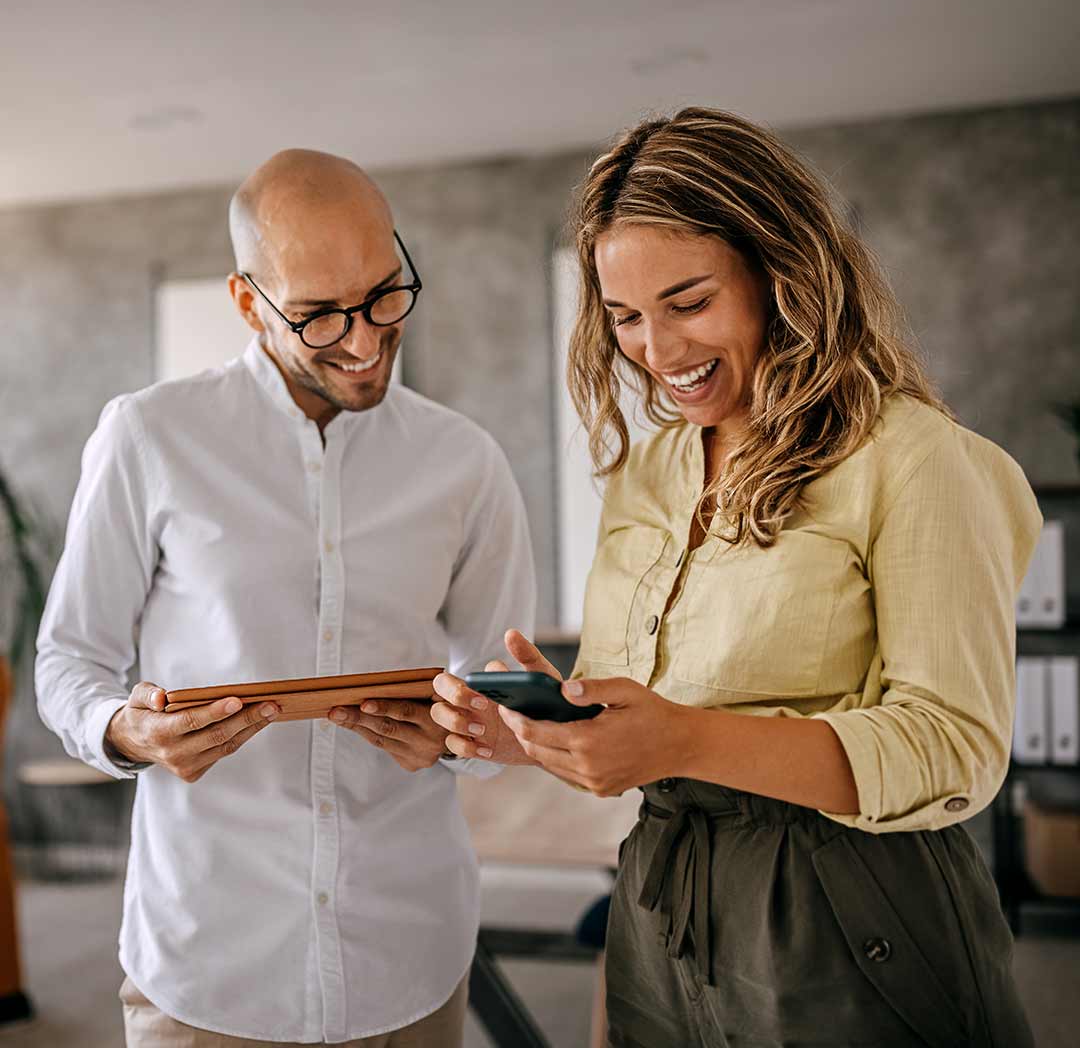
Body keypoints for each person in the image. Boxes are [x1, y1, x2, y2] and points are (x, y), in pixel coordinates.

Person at [432, 108, 1039, 1046]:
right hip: (662, 900)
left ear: (778, 273)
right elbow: (648, 716)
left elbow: (954, 748)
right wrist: (542, 735)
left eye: (689, 302)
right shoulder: (647, 470)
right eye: (626, 316)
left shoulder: (912, 457)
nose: (657, 351)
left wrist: (681, 740)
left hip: (852, 908)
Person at [35, 149, 536, 1047]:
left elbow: (501, 681)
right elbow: (71, 659)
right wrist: (126, 730)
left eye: (386, 293)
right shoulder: (149, 436)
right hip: (211, 964)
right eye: (316, 315)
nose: (364, 337)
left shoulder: (466, 462)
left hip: (410, 955)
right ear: (246, 302)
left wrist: (467, 735)